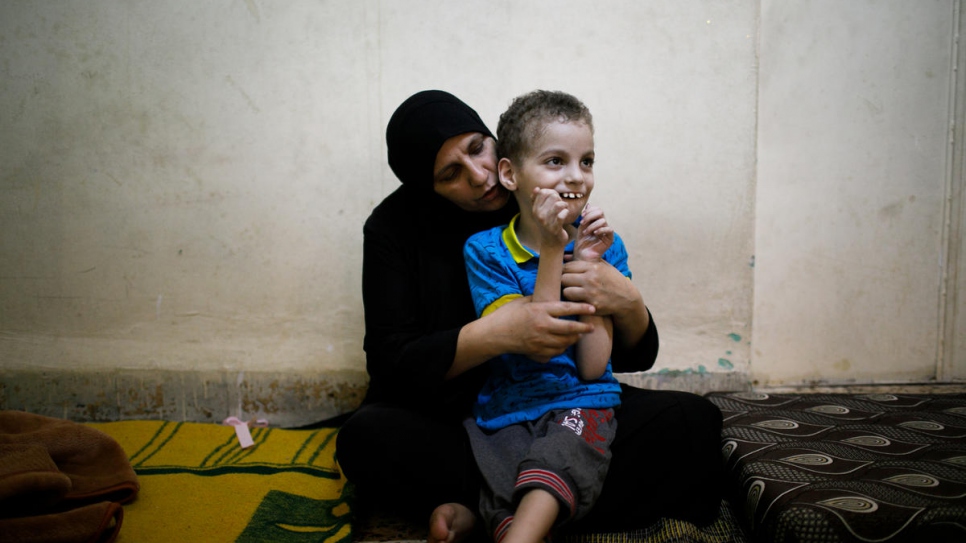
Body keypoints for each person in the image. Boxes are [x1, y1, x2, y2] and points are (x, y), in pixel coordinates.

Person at [334, 90, 723, 543]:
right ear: (428, 187)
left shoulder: (539, 191)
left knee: (693, 424)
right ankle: (534, 504)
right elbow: (391, 363)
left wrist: (627, 302)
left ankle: (492, 511)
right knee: (365, 439)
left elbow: (621, 359)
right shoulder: (393, 229)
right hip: (462, 415)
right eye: (451, 174)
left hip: (561, 392)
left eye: (479, 147)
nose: (480, 177)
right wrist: (495, 335)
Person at [462, 90, 624, 543]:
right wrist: (555, 248)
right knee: (502, 489)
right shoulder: (485, 251)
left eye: (586, 161)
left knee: (559, 458)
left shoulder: (606, 247)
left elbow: (593, 368)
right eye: (556, 161)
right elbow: (537, 347)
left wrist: (588, 264)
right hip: (505, 409)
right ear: (510, 174)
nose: (577, 177)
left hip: (581, 402)